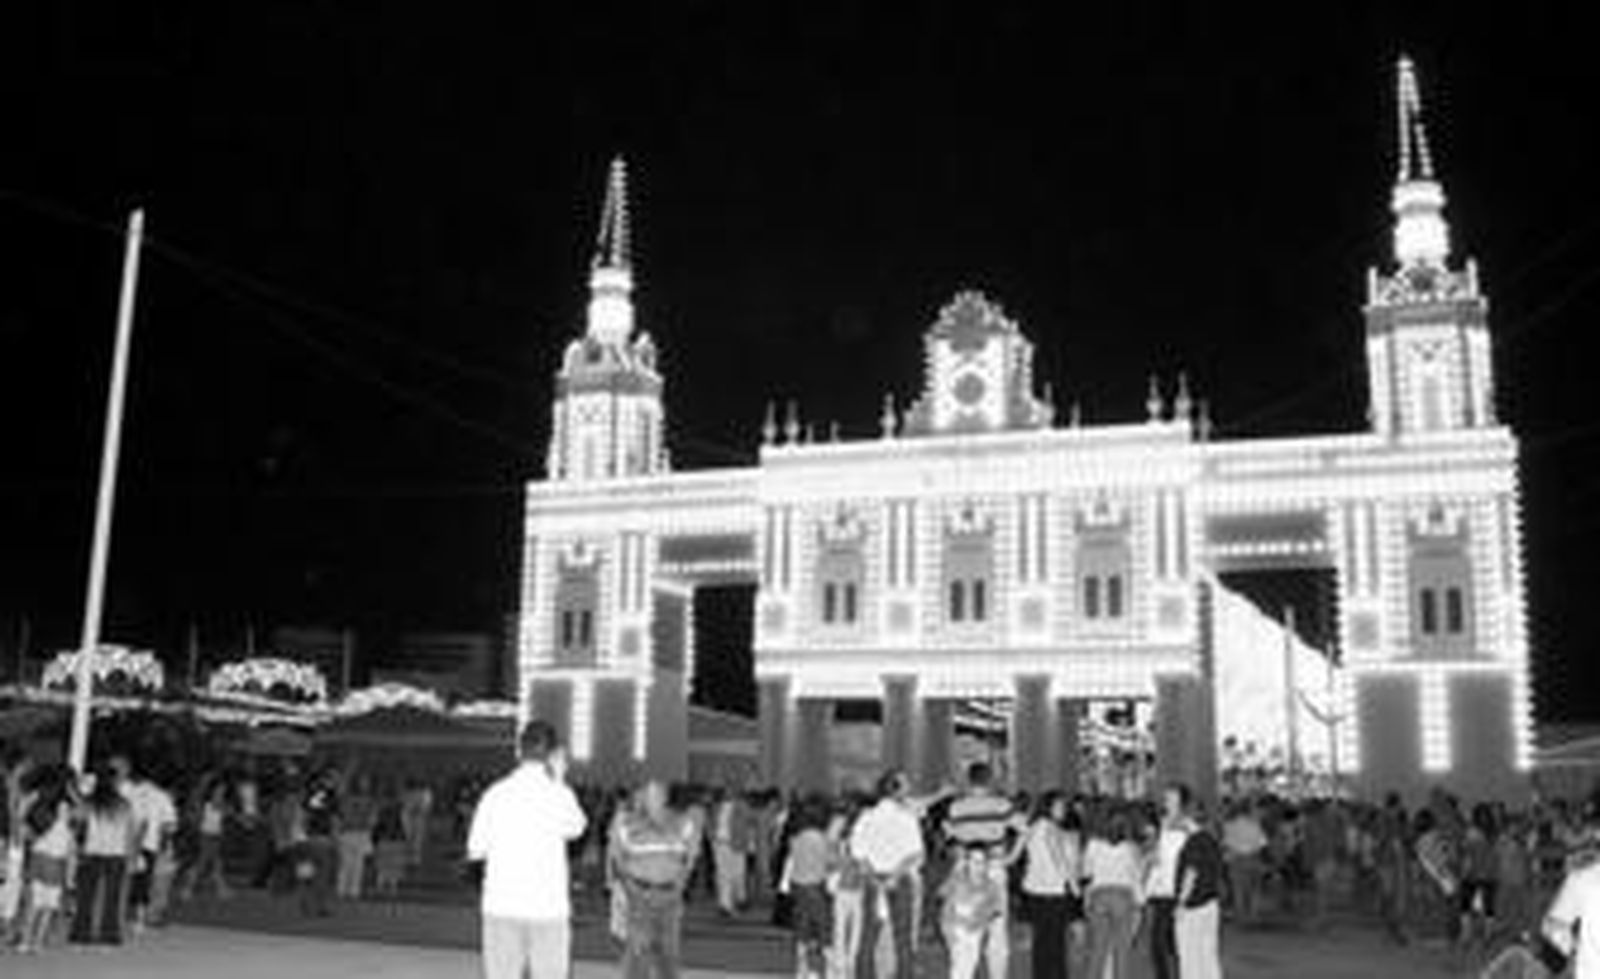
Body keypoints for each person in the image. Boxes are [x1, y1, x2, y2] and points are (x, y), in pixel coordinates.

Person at [466, 720, 587, 979]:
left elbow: (475, 850)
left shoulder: (494, 795)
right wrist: (560, 779)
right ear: (554, 754)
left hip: (502, 905)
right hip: (547, 908)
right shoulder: (559, 795)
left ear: (519, 751)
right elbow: (577, 828)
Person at [610, 778, 698, 979]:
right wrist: (630, 888)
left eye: (656, 795)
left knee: (669, 955)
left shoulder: (681, 823)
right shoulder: (628, 825)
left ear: (665, 798)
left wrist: (681, 884)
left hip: (670, 898)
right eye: (647, 795)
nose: (651, 800)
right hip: (641, 897)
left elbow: (690, 857)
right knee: (638, 955)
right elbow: (618, 858)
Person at [849, 770, 925, 979]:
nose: (909, 787)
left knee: (867, 937)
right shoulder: (907, 818)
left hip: (873, 881)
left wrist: (875, 878)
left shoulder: (866, 816)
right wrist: (895, 875)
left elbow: (857, 854)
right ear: (897, 790)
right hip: (900, 881)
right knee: (903, 939)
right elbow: (916, 854)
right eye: (906, 784)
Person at [70, 762, 138, 945]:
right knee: (112, 897)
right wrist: (132, 857)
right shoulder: (124, 804)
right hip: (116, 854)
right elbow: (130, 834)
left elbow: (75, 821)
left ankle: (81, 933)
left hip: (92, 852)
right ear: (114, 782)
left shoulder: (90, 802)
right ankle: (109, 934)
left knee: (86, 895)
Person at [1019, 791, 1078, 979]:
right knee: (1056, 942)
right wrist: (1072, 882)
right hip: (1053, 891)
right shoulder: (1051, 828)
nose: (1063, 810)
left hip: (1034, 891)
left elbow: (1014, 854)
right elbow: (1058, 855)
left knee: (1041, 941)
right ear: (1049, 807)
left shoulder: (1031, 826)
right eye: (1059, 806)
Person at [16, 769, 74, 953]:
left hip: (37, 856)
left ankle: (25, 941)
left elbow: (24, 829)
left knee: (33, 901)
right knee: (49, 904)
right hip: (55, 860)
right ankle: (38, 942)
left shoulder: (36, 802)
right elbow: (81, 818)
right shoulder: (64, 807)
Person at [117, 758, 178, 932]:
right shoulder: (162, 796)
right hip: (149, 844)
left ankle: (119, 917)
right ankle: (139, 920)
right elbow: (169, 826)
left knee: (125, 881)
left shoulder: (129, 791)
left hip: (126, 842)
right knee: (143, 883)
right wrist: (165, 849)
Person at [1084, 805, 1143, 979]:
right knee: (1121, 951)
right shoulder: (1130, 847)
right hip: (1123, 897)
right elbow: (1135, 876)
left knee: (1097, 950)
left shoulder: (1093, 844)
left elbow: (1087, 873)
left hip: (1099, 895)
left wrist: (1086, 898)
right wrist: (1140, 901)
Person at [780, 795, 835, 979]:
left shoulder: (796, 837)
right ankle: (826, 970)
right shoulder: (821, 838)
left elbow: (793, 860)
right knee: (823, 929)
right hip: (816, 887)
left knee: (802, 928)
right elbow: (830, 862)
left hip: (798, 887)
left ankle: (801, 969)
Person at [1543, 802, 1600, 978]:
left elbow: (1552, 925)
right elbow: (1553, 925)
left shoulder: (1584, 877)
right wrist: (1575, 950)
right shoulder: (1584, 879)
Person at [1145, 784, 1194, 979]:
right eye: (1166, 797)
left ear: (1182, 801)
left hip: (1179, 887)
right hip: (1160, 887)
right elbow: (1154, 854)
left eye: (1171, 797)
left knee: (1174, 941)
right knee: (1158, 941)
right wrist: (1150, 852)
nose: (1167, 801)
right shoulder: (1160, 823)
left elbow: (1194, 859)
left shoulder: (1189, 826)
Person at [1174, 797, 1223, 979]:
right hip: (1210, 903)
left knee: (1189, 956)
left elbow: (1191, 874)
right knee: (1208, 954)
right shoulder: (1210, 839)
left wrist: (1181, 902)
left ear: (1187, 817)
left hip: (1193, 906)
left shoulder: (1193, 842)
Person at [940, 844, 1005, 979]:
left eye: (981, 862)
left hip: (973, 933)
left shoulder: (990, 886)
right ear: (967, 863)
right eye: (973, 861)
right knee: (959, 969)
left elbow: (993, 910)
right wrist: (949, 931)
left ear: (986, 864)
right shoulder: (957, 881)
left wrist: (977, 922)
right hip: (955, 931)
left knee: (966, 967)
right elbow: (945, 906)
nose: (977, 866)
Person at [1221, 799, 1267, 924]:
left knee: (1238, 888)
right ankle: (1253, 914)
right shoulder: (1255, 824)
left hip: (1236, 858)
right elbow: (1262, 842)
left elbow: (1226, 843)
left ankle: (1241, 916)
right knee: (1254, 888)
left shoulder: (1229, 825)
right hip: (1253, 857)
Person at [712, 788, 753, 917]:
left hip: (724, 843)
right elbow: (747, 826)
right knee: (732, 875)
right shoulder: (740, 807)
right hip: (730, 844)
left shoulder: (718, 807)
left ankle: (730, 903)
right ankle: (728, 904)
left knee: (727, 875)